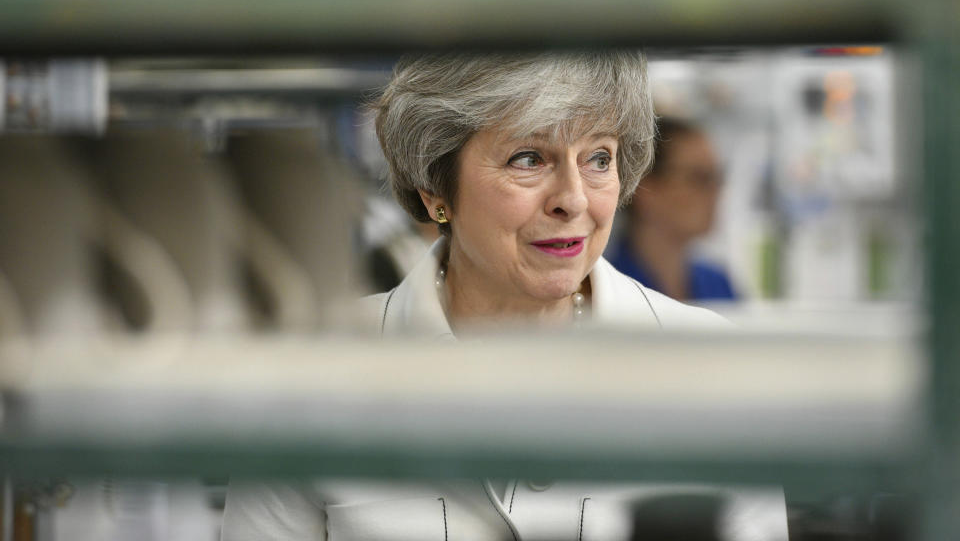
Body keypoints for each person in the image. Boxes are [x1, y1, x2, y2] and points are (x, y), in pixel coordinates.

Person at [221, 52, 787, 541]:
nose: (573, 200)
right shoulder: (307, 375)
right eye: (528, 158)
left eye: (598, 158)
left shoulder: (714, 369)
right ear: (436, 186)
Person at [608, 118, 737, 302]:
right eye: (699, 178)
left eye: (717, 177)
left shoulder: (717, 284)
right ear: (645, 188)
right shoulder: (609, 289)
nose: (714, 191)